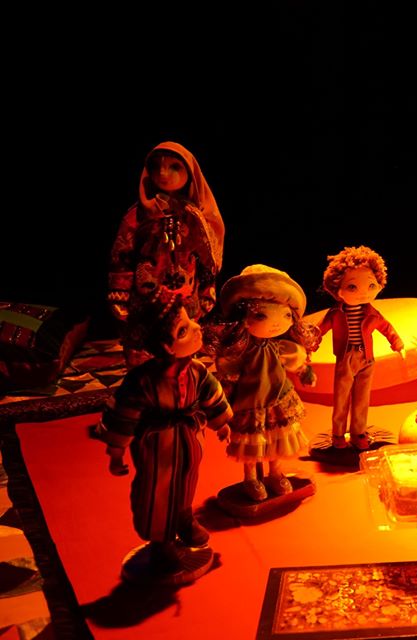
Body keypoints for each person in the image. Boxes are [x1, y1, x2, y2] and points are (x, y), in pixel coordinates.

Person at [98, 291, 232, 573]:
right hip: (158, 445)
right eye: (184, 330)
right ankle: (161, 540)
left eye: (191, 321)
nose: (197, 328)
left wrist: (221, 423)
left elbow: (211, 396)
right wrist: (116, 450)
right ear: (166, 346)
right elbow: (123, 415)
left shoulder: (197, 371)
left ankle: (183, 518)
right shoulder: (142, 381)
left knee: (187, 481)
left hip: (190, 438)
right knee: (157, 491)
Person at [108, 141, 226, 366]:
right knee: (145, 356)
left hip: (186, 296)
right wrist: (119, 291)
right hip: (149, 299)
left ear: (190, 173)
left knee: (183, 348)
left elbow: (207, 257)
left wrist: (208, 288)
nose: (163, 173)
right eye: (156, 167)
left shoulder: (195, 217)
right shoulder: (138, 215)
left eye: (174, 167)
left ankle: (180, 383)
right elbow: (122, 254)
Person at [209, 265, 318, 502]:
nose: (277, 324)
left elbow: (294, 360)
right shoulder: (239, 351)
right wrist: (224, 398)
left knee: (276, 440)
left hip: (278, 400)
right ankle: (250, 478)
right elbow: (228, 374)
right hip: (251, 403)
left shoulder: (280, 347)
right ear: (242, 317)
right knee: (252, 444)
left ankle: (275, 473)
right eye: (261, 315)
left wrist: (304, 371)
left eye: (287, 316)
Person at [316, 246, 404, 450]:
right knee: (341, 399)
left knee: (362, 399)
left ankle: (358, 433)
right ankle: (338, 435)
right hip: (345, 359)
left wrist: (397, 343)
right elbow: (319, 330)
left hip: (367, 359)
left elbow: (386, 328)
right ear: (336, 288)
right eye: (352, 287)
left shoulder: (372, 314)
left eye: (371, 285)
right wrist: (308, 346)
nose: (364, 293)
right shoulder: (336, 314)